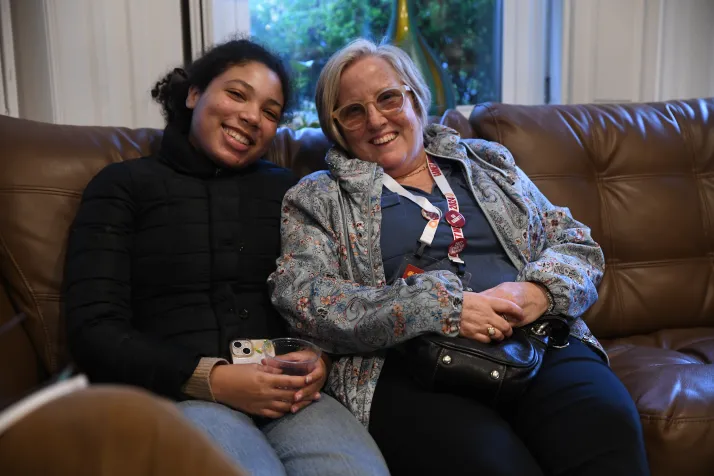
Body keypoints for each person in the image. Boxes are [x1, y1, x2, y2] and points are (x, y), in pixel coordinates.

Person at [269, 38, 650, 476]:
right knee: (490, 462)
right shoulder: (317, 196)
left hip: (537, 340)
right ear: (336, 127)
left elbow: (576, 242)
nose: (376, 119)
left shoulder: (488, 162)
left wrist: (540, 291)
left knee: (606, 428)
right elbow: (304, 298)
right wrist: (438, 308)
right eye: (353, 111)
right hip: (410, 366)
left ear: (415, 97)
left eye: (388, 97)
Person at [63, 39, 388, 476]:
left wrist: (320, 359)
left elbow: (326, 296)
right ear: (194, 94)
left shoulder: (289, 191)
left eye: (270, 112)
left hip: (290, 396)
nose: (252, 117)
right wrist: (211, 379)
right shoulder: (122, 186)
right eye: (237, 94)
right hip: (179, 397)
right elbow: (93, 329)